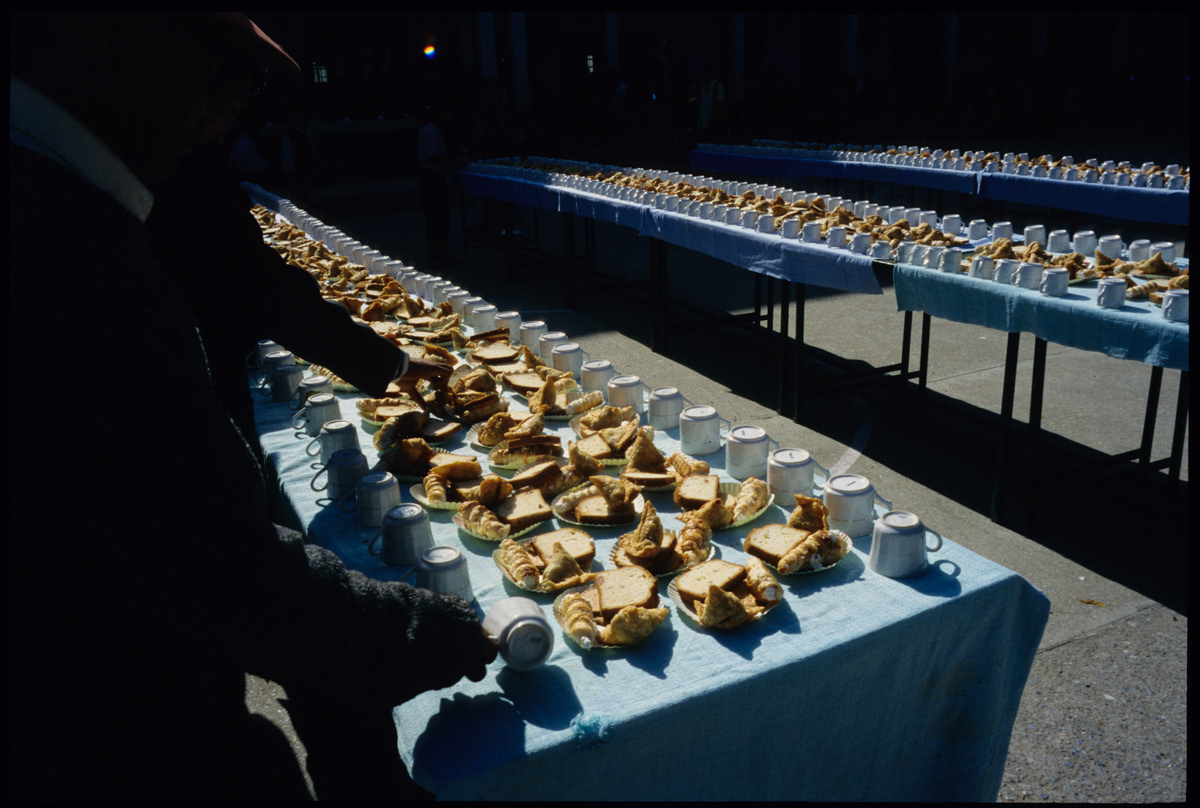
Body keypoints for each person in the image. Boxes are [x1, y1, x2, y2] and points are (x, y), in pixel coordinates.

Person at [8, 12, 496, 800]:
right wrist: (425, 631)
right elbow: (209, 561)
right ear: (104, 30)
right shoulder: (58, 249)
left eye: (253, 77)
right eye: (217, 61)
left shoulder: (75, 193)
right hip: (95, 735)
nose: (233, 101)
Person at [416, 106, 452, 268]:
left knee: (439, 217)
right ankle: (436, 255)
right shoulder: (430, 129)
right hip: (432, 175)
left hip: (434, 174)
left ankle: (441, 253)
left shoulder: (434, 128)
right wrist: (450, 162)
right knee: (436, 217)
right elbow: (432, 154)